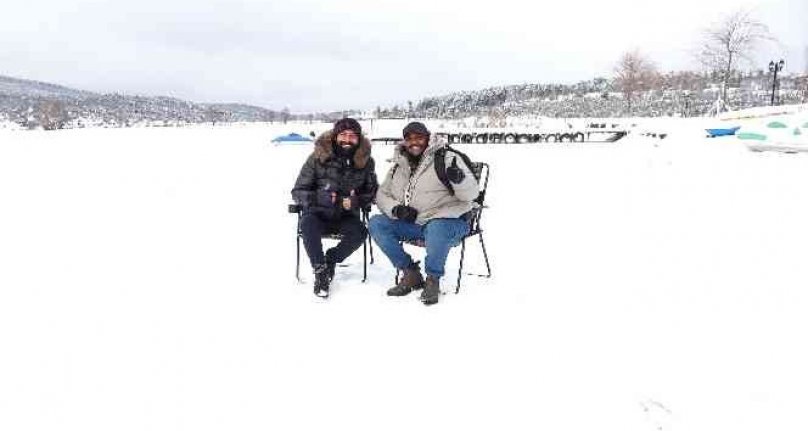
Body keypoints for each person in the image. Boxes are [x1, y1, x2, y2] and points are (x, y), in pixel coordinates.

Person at [368, 121, 478, 306]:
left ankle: (433, 279)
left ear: (428, 138)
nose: (414, 142)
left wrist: (458, 180)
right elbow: (382, 194)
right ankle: (410, 273)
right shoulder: (399, 164)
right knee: (377, 223)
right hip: (416, 223)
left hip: (449, 222)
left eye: (419, 137)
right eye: (409, 139)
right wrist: (396, 209)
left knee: (436, 228)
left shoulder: (448, 158)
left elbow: (471, 195)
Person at [291, 118, 378, 298]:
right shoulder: (317, 157)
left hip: (346, 216)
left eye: (352, 136)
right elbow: (297, 191)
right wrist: (318, 197)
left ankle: (331, 259)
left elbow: (372, 193)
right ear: (335, 136)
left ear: (358, 139)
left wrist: (356, 202)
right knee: (307, 225)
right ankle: (320, 270)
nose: (347, 139)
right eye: (343, 135)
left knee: (360, 232)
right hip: (318, 214)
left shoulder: (366, 161)